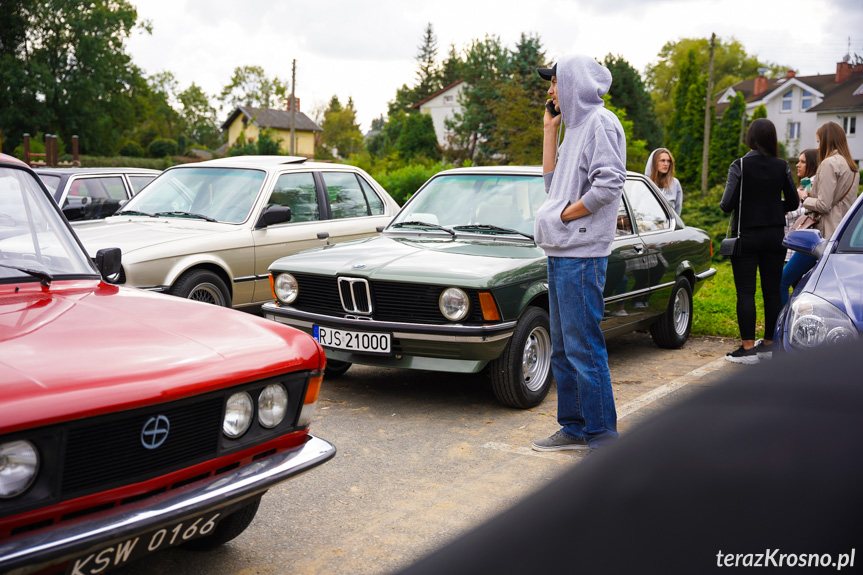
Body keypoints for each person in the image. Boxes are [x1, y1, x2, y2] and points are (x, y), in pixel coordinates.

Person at [530, 55, 627, 452]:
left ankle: (603, 438)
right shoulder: (575, 127)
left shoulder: (601, 124)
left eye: (554, 82)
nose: (550, 90)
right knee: (565, 348)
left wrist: (566, 216)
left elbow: (609, 185)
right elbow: (553, 184)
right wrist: (550, 130)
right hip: (562, 250)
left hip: (582, 253)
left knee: (584, 348)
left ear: (573, 82)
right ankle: (573, 428)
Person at [720, 118, 798, 365]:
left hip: (747, 236)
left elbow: (727, 204)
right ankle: (768, 345)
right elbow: (794, 203)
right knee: (773, 291)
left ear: (751, 138)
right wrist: (774, 207)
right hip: (775, 236)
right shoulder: (782, 165)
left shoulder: (740, 164)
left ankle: (747, 349)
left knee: (746, 291)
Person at [780, 122, 860, 306]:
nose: (818, 147)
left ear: (825, 141)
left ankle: (785, 328)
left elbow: (823, 205)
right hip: (843, 235)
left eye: (818, 142)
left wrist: (804, 198)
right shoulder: (852, 167)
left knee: (783, 281)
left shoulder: (829, 164)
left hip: (823, 237)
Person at [782, 148, 818, 262]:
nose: (798, 165)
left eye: (803, 162)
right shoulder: (805, 183)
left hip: (799, 245)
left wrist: (786, 210)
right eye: (798, 161)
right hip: (796, 244)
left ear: (813, 164)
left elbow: (808, 211)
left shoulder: (810, 184)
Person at [645, 148, 683, 214]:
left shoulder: (674, 183)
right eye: (662, 160)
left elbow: (677, 210)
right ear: (654, 162)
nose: (666, 164)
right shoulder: (644, 183)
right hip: (646, 223)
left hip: (668, 223)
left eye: (668, 161)